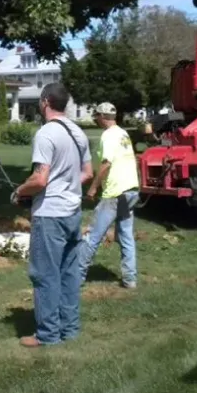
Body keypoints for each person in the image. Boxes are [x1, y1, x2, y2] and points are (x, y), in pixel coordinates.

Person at [14, 82, 93, 348]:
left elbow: (40, 179)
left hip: (50, 215)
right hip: (73, 212)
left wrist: (20, 191)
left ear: (45, 102)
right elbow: (87, 174)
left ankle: (47, 334)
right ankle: (69, 329)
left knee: (45, 274)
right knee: (69, 272)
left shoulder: (46, 133)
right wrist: (68, 186)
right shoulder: (78, 132)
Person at [80, 102, 140, 289]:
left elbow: (106, 164)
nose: (96, 119)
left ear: (102, 116)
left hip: (114, 192)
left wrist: (93, 188)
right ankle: (130, 279)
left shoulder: (108, 136)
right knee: (126, 236)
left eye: (96, 116)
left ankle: (76, 275)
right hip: (131, 190)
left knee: (93, 235)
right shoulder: (123, 133)